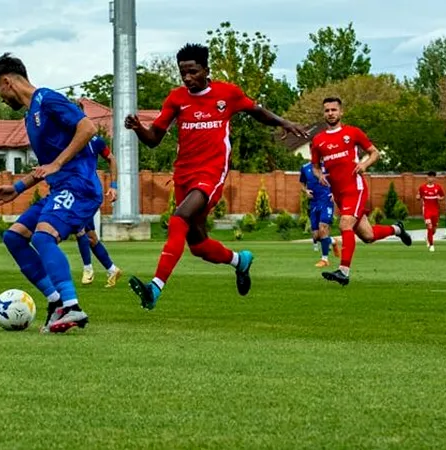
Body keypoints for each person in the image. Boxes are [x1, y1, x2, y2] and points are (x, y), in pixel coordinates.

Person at [123, 43, 308, 310]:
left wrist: (284, 122)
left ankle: (155, 288)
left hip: (211, 173)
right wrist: (139, 128)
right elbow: (153, 140)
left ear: (206, 70)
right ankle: (239, 260)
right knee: (198, 246)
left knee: (179, 218)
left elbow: (256, 111)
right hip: (183, 174)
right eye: (183, 73)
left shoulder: (227, 93)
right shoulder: (177, 98)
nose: (187, 78)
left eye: (193, 72)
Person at [0, 53, 102, 334]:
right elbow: (45, 168)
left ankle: (71, 307)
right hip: (61, 188)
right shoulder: (30, 118)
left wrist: (59, 163)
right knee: (14, 237)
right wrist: (16, 188)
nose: (1, 99)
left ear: (6, 82)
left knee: (43, 236)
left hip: (81, 186)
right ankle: (55, 301)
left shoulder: (47, 98)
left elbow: (88, 127)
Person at [310, 97, 412, 286]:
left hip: (354, 188)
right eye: (327, 111)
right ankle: (397, 229)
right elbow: (315, 166)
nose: (330, 113)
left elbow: (375, 152)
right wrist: (319, 175)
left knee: (345, 224)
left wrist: (364, 164)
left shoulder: (352, 133)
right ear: (323, 114)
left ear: (341, 112)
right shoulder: (318, 140)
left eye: (334, 110)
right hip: (339, 193)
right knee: (368, 236)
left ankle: (343, 271)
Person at [78, 135, 123, 287]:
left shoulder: (94, 141)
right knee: (91, 238)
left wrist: (114, 185)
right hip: (75, 192)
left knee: (79, 228)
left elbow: (111, 158)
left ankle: (87, 269)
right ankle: (112, 269)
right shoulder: (63, 139)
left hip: (90, 193)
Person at [300, 161, 341, 267]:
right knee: (316, 236)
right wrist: (306, 191)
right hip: (314, 203)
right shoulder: (305, 168)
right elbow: (302, 184)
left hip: (326, 200)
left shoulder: (328, 165)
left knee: (323, 228)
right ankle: (333, 241)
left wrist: (335, 193)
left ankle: (325, 259)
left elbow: (338, 180)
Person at [416, 171, 445, 252]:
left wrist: (440, 198)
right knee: (429, 227)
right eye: (429, 177)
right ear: (427, 178)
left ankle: (428, 238)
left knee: (434, 229)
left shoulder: (438, 187)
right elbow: (418, 196)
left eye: (432, 177)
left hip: (435, 210)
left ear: (435, 178)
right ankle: (432, 245)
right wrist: (418, 197)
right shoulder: (422, 187)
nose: (430, 178)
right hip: (427, 210)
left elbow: (442, 196)